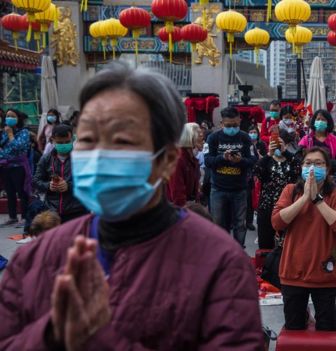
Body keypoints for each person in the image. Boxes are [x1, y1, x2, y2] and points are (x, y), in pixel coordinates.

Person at [0, 62, 264, 350]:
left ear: (165, 161)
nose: (100, 155)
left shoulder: (220, 263)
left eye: (121, 141)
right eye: (87, 139)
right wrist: (52, 333)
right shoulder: (39, 257)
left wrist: (101, 337)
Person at [272, 147, 336, 332]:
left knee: (327, 329)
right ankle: (306, 316)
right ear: (301, 167)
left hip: (325, 274)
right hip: (293, 272)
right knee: (294, 328)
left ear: (328, 169)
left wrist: (317, 200)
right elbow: (277, 222)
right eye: (308, 163)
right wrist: (305, 197)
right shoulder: (290, 190)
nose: (312, 168)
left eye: (318, 163)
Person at [206, 107, 256, 247]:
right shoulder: (213, 138)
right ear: (221, 123)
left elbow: (253, 160)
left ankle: (238, 251)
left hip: (239, 189)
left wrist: (241, 161)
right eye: (228, 125)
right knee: (218, 223)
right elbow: (207, 161)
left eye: (235, 125)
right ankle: (220, 253)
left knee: (240, 224)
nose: (232, 128)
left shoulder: (245, 138)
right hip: (218, 189)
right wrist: (222, 158)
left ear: (239, 121)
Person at [33, 124, 88, 223]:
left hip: (77, 210)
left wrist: (69, 185)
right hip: (52, 211)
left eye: (67, 142)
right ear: (53, 140)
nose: (63, 145)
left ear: (72, 139)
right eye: (59, 142)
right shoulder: (46, 159)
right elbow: (36, 180)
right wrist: (48, 185)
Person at [253, 135, 299, 250]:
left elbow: (299, 168)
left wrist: (286, 152)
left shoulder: (290, 160)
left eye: (280, 143)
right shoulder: (267, 161)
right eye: (274, 143)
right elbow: (256, 171)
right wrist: (269, 154)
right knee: (265, 244)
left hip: (287, 207)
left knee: (286, 246)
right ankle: (265, 267)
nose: (277, 146)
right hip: (266, 207)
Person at [0, 109, 32, 227]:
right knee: (10, 192)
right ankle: (12, 216)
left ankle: (24, 217)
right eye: (7, 116)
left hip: (18, 166)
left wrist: (10, 135)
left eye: (12, 116)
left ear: (18, 119)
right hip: (6, 166)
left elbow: (18, 147)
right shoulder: (4, 132)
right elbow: (4, 148)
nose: (9, 118)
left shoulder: (24, 132)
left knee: (22, 192)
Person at [166, 123, 201, 206]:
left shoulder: (191, 158)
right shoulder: (179, 159)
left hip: (189, 204)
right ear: (191, 138)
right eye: (199, 135)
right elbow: (177, 191)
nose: (203, 138)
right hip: (179, 208)